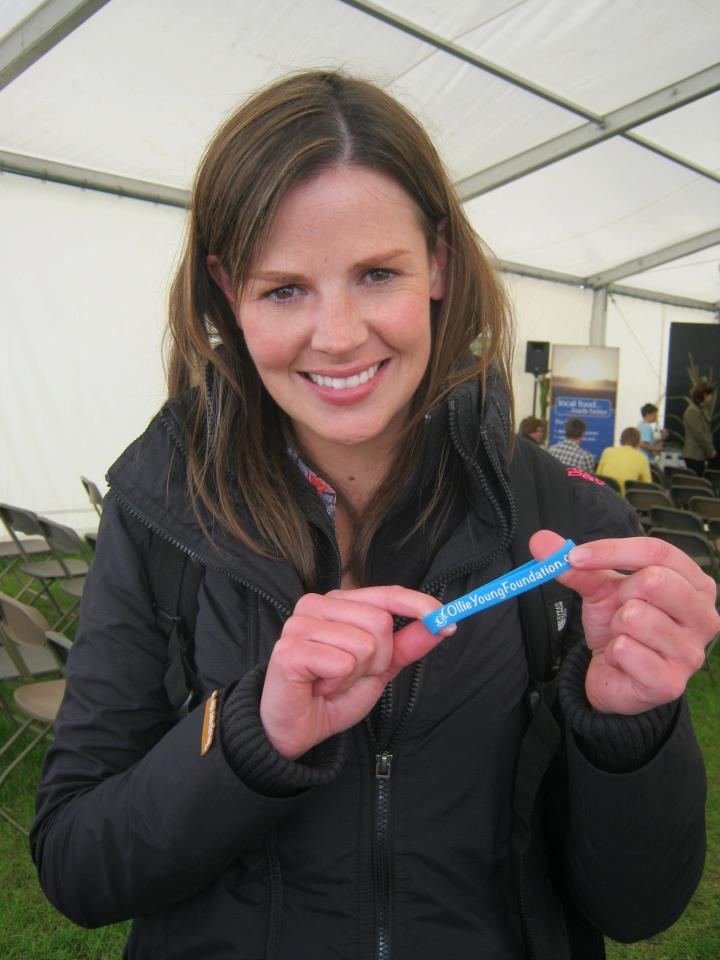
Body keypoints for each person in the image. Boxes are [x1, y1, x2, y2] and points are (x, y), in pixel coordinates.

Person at [31, 71, 718, 960]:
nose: (341, 333)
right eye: (284, 289)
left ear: (437, 262)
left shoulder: (569, 528)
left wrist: (630, 730)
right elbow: (77, 864)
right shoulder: (162, 514)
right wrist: (252, 735)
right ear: (225, 291)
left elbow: (638, 907)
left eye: (377, 273)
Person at [596, 427, 652, 494]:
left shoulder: (607, 452)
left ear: (620, 441)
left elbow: (598, 476)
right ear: (638, 443)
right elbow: (647, 486)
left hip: (604, 497)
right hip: (626, 501)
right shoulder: (642, 458)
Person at [683, 382, 716, 476]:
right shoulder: (692, 411)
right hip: (694, 455)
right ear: (705, 395)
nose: (711, 398)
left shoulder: (699, 410)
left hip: (699, 455)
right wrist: (710, 450)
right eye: (710, 395)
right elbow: (699, 434)